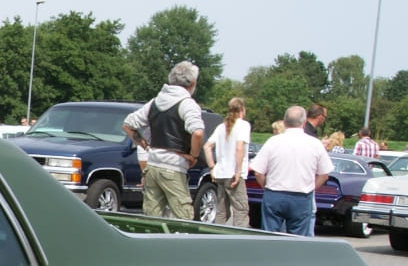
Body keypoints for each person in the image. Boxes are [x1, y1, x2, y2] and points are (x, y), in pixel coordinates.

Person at [122, 60, 205, 219]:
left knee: (152, 218)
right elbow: (198, 133)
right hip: (174, 165)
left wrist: (145, 145)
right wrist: (193, 156)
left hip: (152, 165)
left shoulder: (155, 102)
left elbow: (128, 124)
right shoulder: (187, 104)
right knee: (183, 217)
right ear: (193, 83)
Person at [250, 105, 331, 236]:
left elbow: (258, 171)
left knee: (270, 237)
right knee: (298, 240)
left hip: (274, 193)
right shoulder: (315, 144)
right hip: (302, 195)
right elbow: (324, 174)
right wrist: (312, 187)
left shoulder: (273, 141)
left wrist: (265, 186)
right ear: (304, 123)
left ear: (285, 122)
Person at [203, 96, 251, 228]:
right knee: (241, 209)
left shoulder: (221, 127)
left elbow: (207, 146)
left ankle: (217, 236)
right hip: (233, 174)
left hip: (220, 173)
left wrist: (212, 167)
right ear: (242, 110)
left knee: (222, 210)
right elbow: (239, 147)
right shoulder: (243, 125)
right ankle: (239, 239)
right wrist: (238, 171)